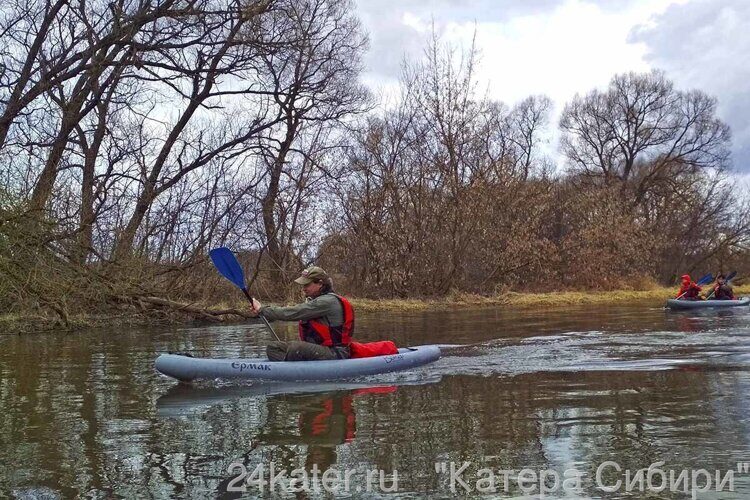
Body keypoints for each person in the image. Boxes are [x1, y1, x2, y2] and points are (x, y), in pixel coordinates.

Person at [250, 266, 354, 361]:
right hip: (321, 350)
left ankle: (290, 371)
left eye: (307, 284)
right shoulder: (315, 300)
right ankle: (290, 366)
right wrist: (262, 312)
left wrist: (263, 309)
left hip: (335, 353)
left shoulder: (327, 302)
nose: (304, 288)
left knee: (296, 348)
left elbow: (294, 312)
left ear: (320, 284)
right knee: (274, 347)